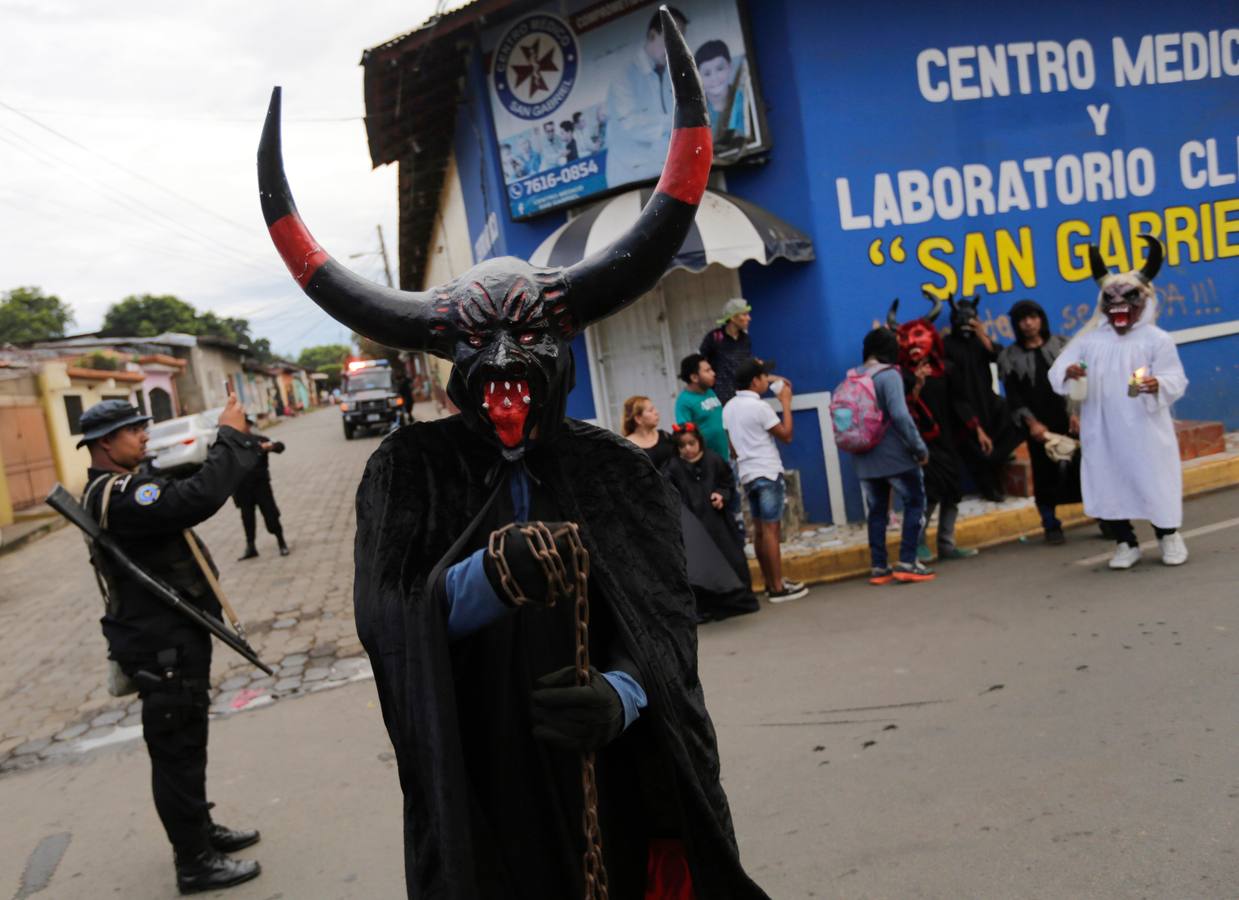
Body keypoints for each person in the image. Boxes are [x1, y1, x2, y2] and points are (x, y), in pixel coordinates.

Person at [259, 13, 768, 897]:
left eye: (525, 340)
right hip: (483, 773)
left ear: (559, 358)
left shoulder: (611, 468)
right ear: (451, 371)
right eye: (474, 347)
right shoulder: (406, 472)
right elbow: (387, 622)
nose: (500, 364)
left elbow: (664, 622)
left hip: (614, 775)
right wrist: (481, 583)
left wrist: (622, 692)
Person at [78, 396, 263, 894]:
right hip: (160, 645)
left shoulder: (125, 485)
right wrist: (231, 436)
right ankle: (194, 862)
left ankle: (200, 832)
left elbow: (181, 484)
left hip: (171, 636)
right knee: (176, 752)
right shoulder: (119, 495)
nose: (143, 436)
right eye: (132, 431)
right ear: (103, 443)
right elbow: (195, 499)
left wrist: (234, 448)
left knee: (187, 744)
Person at [1049, 238, 1188, 570]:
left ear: (1144, 301)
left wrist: (1159, 385)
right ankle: (1125, 542)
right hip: (1102, 429)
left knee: (1151, 479)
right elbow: (1058, 371)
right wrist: (1068, 373)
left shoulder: (1156, 340)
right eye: (1111, 299)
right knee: (1110, 482)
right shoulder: (1090, 340)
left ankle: (1169, 536)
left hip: (1145, 427)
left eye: (1129, 298)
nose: (1119, 305)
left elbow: (1175, 378)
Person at [888, 297, 978, 562]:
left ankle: (947, 544)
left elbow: (960, 402)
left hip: (948, 441)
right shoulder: (900, 377)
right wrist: (916, 386)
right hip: (919, 445)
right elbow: (902, 411)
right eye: (908, 338)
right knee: (929, 495)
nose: (914, 343)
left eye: (920, 336)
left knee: (952, 492)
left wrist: (977, 429)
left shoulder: (946, 369)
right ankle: (918, 544)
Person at [722, 357, 808, 603]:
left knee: (759, 531)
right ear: (755, 381)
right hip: (767, 472)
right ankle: (778, 588)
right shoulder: (760, 407)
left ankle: (770, 583)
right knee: (772, 530)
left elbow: (732, 449)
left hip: (747, 473)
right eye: (763, 377)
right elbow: (787, 435)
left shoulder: (728, 408)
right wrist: (786, 403)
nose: (765, 381)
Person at [851, 329, 933, 584]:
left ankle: (879, 567)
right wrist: (919, 448)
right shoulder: (889, 375)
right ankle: (908, 561)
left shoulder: (853, 376)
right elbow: (900, 415)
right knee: (915, 503)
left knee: (877, 511)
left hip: (864, 456)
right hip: (896, 456)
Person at [999, 299, 1082, 544]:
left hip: (1070, 421)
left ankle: (1105, 519)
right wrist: (1032, 423)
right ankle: (1051, 524)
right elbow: (1013, 396)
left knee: (1085, 470)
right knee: (1045, 475)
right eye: (1023, 319)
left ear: (1041, 319)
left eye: (1033, 317)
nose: (1028, 323)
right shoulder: (1010, 357)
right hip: (1038, 428)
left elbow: (1078, 382)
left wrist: (1076, 412)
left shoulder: (1063, 346)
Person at [663, 425, 760, 621]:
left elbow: (727, 483)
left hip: (718, 523)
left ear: (699, 442)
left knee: (731, 559)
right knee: (699, 566)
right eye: (682, 446)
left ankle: (737, 603)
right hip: (693, 528)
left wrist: (721, 494)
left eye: (691, 443)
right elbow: (668, 492)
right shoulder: (673, 467)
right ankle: (706, 608)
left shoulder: (713, 460)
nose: (688, 449)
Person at [941, 293, 1023, 502]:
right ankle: (988, 487)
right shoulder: (947, 345)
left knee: (1013, 419)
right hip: (961, 406)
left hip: (987, 401)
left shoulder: (979, 342)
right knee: (973, 447)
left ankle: (997, 463)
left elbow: (999, 357)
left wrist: (982, 335)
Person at [604, 7, 689, 186]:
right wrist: (673, 122)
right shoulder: (624, 75)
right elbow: (631, 124)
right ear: (652, 35)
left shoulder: (670, 72)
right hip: (629, 177)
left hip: (663, 173)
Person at [233, 420, 289, 560]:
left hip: (261, 486)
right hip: (242, 489)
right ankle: (251, 547)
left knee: (271, 515)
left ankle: (281, 543)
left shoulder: (258, 440)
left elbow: (280, 446)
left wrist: (269, 447)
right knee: (247, 518)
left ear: (248, 426)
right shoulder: (231, 446)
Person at [699, 297, 753, 405]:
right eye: (744, 314)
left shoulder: (745, 339)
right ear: (733, 318)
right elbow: (700, 364)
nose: (749, 318)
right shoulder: (714, 337)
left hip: (743, 396)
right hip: (720, 398)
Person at [621, 394, 675, 469]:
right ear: (638, 419)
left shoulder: (665, 436)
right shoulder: (626, 447)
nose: (656, 412)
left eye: (654, 409)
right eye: (650, 410)